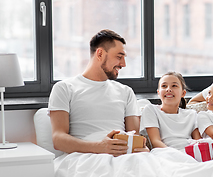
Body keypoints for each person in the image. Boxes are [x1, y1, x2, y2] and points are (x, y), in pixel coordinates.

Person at [49, 29, 148, 157]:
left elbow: (134, 136)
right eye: (119, 57)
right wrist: (100, 147)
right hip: (85, 157)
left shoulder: (126, 92)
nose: (123, 64)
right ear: (100, 54)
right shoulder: (64, 88)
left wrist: (141, 148)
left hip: (124, 156)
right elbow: (58, 140)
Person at [140, 71, 201, 150]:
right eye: (164, 86)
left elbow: (198, 142)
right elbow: (155, 142)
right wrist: (176, 154)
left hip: (189, 153)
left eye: (174, 86)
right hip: (164, 153)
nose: (168, 89)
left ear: (183, 93)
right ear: (158, 93)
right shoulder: (151, 110)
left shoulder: (192, 114)